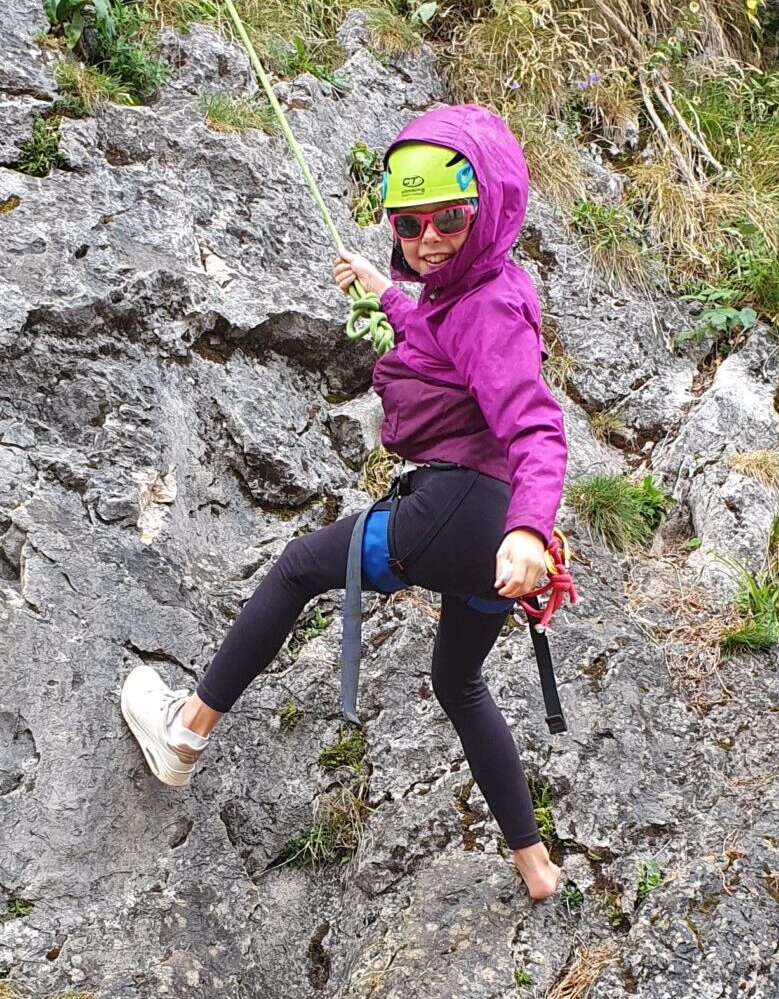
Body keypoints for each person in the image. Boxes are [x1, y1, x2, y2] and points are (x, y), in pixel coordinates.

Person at [121, 104, 568, 900]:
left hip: (463, 513)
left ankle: (184, 735)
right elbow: (444, 336)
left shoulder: (489, 307)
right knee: (458, 682)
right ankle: (535, 866)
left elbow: (535, 425)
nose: (428, 240)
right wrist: (384, 290)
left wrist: (533, 529)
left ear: (489, 206)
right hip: (489, 535)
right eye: (409, 224)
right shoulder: (482, 286)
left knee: (299, 567)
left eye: (449, 219)